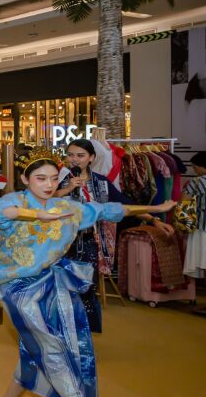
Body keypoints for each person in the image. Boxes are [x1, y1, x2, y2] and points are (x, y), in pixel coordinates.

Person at [0, 147, 175, 397]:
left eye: (53, 178)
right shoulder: (15, 201)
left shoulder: (69, 208)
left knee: (42, 347)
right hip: (16, 287)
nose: (48, 185)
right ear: (25, 179)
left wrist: (155, 209)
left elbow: (111, 209)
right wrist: (38, 215)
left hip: (52, 281)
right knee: (55, 349)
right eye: (40, 178)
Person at [54, 138, 174, 333]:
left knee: (86, 290)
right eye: (70, 155)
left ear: (91, 157)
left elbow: (123, 205)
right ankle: (61, 334)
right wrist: (65, 190)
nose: (74, 159)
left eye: (80, 155)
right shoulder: (56, 179)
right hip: (58, 243)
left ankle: (83, 336)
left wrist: (154, 220)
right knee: (60, 290)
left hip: (87, 242)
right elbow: (39, 201)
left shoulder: (101, 182)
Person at [182, 151, 206, 280]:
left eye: (195, 167)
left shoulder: (197, 182)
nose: (194, 170)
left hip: (202, 228)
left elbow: (184, 203)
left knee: (203, 261)